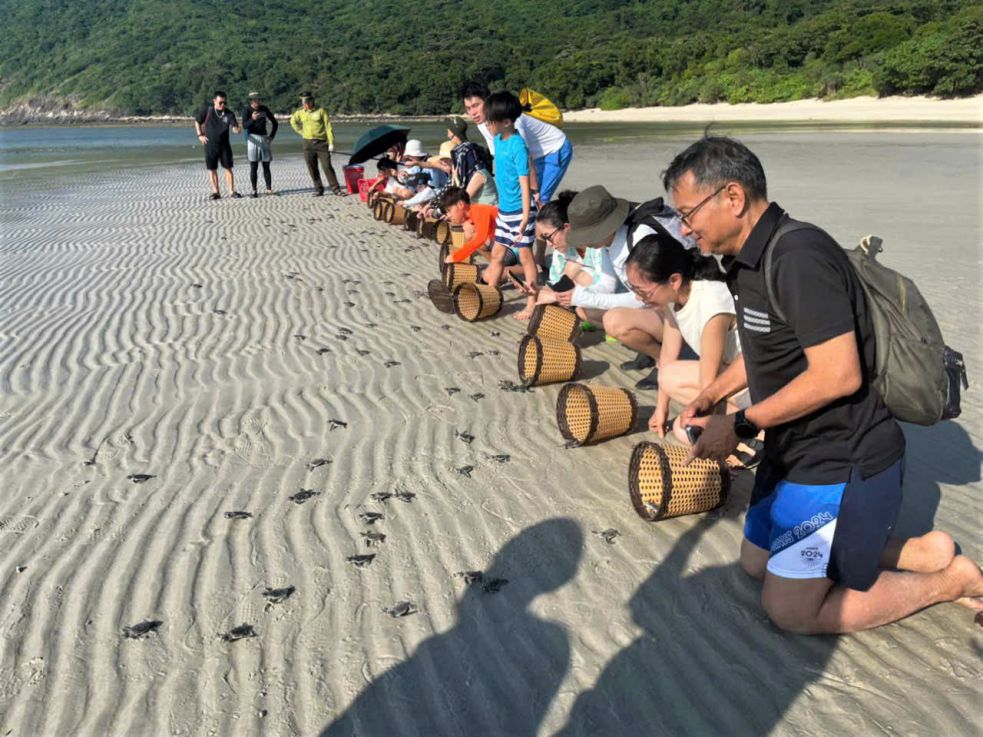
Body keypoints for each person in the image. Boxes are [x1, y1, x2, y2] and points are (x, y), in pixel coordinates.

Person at [664, 135, 981, 634]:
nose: (685, 230)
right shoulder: (747, 263)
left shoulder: (797, 257)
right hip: (793, 448)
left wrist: (740, 425)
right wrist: (712, 393)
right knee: (754, 562)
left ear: (732, 197)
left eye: (688, 214)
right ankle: (922, 552)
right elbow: (766, 348)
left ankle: (952, 580)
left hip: (841, 458)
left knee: (789, 609)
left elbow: (839, 374)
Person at [623, 232, 761, 468]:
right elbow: (668, 355)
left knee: (675, 387)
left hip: (754, 382)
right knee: (680, 428)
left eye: (643, 291)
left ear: (674, 280)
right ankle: (744, 429)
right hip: (732, 381)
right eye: (633, 288)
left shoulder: (710, 302)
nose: (638, 298)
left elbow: (709, 384)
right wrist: (661, 409)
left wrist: (713, 431)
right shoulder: (673, 299)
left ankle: (759, 433)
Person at [562, 185, 695, 389]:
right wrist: (570, 294)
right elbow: (607, 284)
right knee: (586, 311)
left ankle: (665, 363)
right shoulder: (610, 241)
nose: (586, 242)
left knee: (614, 321)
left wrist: (581, 296)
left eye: (588, 235)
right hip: (658, 304)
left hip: (681, 309)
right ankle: (653, 351)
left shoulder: (639, 238)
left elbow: (644, 297)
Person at [461, 81, 572, 205]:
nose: (472, 113)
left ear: (487, 101)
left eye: (476, 105)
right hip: (534, 156)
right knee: (523, 198)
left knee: (539, 199)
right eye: (468, 108)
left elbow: (525, 155)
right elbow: (498, 155)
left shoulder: (510, 119)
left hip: (555, 149)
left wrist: (533, 188)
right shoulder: (482, 123)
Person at [479, 91, 539, 320]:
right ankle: (489, 295)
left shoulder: (518, 146)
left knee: (526, 257)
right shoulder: (497, 140)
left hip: (521, 212)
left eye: (490, 121)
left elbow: (525, 184)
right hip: (505, 211)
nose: (487, 124)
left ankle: (532, 303)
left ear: (506, 122)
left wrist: (525, 216)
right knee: (496, 255)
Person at [531, 191, 621, 329]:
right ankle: (589, 317)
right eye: (544, 238)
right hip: (592, 298)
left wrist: (562, 297)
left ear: (566, 227)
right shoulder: (562, 249)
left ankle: (607, 323)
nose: (548, 244)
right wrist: (536, 290)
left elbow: (609, 286)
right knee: (569, 272)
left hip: (621, 299)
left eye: (548, 236)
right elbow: (555, 283)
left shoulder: (596, 244)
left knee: (579, 274)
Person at [289, 92, 343, 196]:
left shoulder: (321, 111)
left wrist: (331, 143)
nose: (306, 104)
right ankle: (318, 189)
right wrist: (301, 132)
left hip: (322, 143)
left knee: (327, 166)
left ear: (312, 101)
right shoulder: (300, 112)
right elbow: (293, 122)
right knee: (312, 167)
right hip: (307, 143)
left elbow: (328, 127)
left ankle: (336, 189)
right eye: (303, 102)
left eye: (307, 102)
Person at [194, 91, 241, 201]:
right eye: (220, 102)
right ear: (214, 101)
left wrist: (236, 130)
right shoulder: (208, 110)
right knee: (212, 169)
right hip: (210, 145)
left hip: (224, 145)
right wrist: (199, 135)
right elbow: (197, 121)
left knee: (228, 168)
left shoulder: (229, 113)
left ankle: (231, 191)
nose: (223, 105)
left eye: (225, 102)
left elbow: (234, 126)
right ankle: (216, 192)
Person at [446, 116, 497, 205]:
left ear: (453, 132)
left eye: (448, 129)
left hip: (478, 202)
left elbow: (462, 182)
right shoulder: (469, 148)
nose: (447, 132)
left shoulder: (462, 152)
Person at [242, 91, 278, 197]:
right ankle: (254, 190)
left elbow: (275, 123)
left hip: (264, 137)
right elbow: (244, 125)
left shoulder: (264, 109)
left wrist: (271, 136)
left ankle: (269, 189)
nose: (257, 101)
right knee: (254, 166)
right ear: (251, 100)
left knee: (266, 165)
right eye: (255, 99)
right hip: (252, 138)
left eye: (259, 99)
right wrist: (252, 119)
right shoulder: (247, 110)